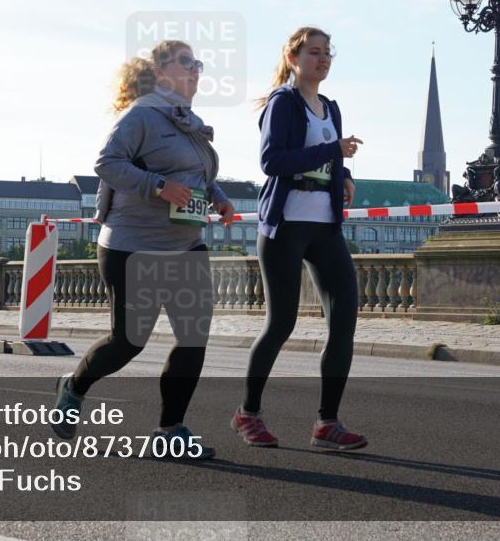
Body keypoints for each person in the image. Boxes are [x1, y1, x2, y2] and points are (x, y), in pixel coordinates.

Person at [51, 39, 235, 459]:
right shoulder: (140, 116)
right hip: (133, 246)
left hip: (185, 244)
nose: (196, 69)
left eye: (198, 63)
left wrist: (219, 197)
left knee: (193, 337)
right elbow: (107, 163)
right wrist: (158, 186)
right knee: (128, 342)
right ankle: (74, 386)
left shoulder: (189, 120)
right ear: (161, 71)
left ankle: (170, 429)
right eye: (186, 62)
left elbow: (197, 176)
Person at [232, 26, 367, 450]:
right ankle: (247, 413)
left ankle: (328, 423)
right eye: (314, 52)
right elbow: (272, 160)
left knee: (344, 320)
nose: (323, 59)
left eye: (328, 52)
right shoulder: (283, 103)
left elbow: (327, 159)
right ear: (294, 58)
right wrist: (333, 154)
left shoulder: (329, 107)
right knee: (281, 323)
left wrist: (342, 176)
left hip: (325, 227)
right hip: (285, 226)